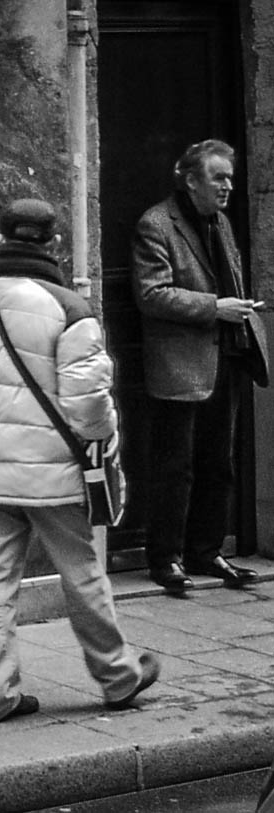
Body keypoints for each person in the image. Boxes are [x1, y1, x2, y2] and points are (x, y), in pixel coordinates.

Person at [0, 198, 159, 722]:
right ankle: (118, 675)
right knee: (82, 573)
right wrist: (104, 439)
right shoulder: (70, 310)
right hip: (54, 474)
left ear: (1, 237)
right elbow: (88, 408)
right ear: (54, 243)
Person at [131, 139, 261, 593]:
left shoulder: (221, 223)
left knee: (218, 464)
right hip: (178, 365)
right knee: (175, 468)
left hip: (224, 357)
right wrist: (215, 307)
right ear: (190, 180)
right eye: (217, 178)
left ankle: (208, 551)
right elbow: (151, 293)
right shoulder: (157, 224)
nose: (227, 187)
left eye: (229, 178)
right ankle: (166, 559)